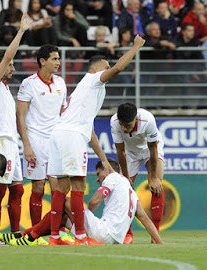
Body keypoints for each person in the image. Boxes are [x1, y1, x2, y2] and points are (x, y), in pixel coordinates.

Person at [46, 34, 145, 245]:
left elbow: (90, 133)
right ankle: (81, 237)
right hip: (71, 136)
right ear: (95, 69)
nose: (109, 68)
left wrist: (105, 161)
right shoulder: (92, 80)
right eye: (105, 66)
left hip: (59, 134)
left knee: (61, 188)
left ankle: (55, 237)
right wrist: (135, 47)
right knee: (78, 184)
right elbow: (118, 69)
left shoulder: (87, 93)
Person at [0, 158, 164, 246]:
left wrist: (87, 212)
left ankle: (29, 236)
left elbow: (95, 200)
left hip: (102, 232)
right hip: (113, 239)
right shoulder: (131, 191)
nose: (97, 179)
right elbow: (144, 218)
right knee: (60, 218)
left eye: (98, 174)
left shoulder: (112, 177)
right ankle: (23, 236)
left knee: (65, 201)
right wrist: (160, 241)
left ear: (106, 171)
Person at [0, 13, 31, 246]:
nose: (12, 67)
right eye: (9, 64)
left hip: (11, 143)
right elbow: (9, 53)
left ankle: (14, 235)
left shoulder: (4, 89)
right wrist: (21, 31)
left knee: (18, 190)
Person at [16, 44, 67, 227]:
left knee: (58, 190)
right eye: (54, 59)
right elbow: (19, 115)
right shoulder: (29, 84)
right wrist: (27, 145)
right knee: (38, 187)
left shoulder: (61, 83)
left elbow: (63, 114)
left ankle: (56, 229)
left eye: (58, 58)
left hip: (56, 142)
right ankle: (35, 232)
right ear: (42, 61)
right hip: (36, 141)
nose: (58, 63)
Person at [110, 102, 164, 244]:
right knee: (124, 190)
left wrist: (153, 177)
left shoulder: (148, 120)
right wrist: (126, 179)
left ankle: (155, 236)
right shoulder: (115, 122)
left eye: (127, 125)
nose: (123, 128)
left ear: (136, 119)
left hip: (149, 150)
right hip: (130, 152)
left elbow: (153, 149)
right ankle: (128, 235)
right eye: (122, 124)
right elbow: (120, 151)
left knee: (157, 186)